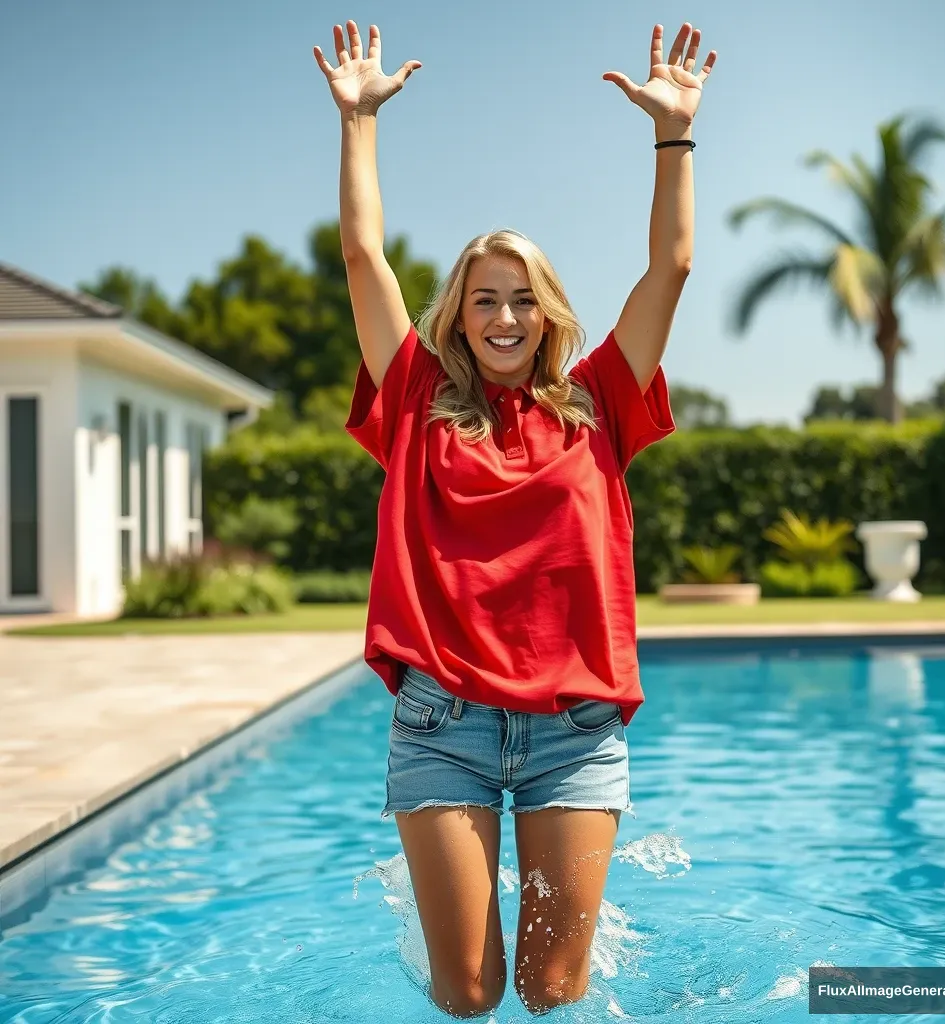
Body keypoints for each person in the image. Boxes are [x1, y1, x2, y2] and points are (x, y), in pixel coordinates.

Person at [313, 18, 716, 1018]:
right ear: (458, 312)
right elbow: (363, 258)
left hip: (573, 732)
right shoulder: (411, 395)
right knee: (467, 992)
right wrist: (358, 120)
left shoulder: (600, 400)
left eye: (521, 300)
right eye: (483, 299)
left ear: (547, 311)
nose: (502, 318)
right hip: (441, 724)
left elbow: (669, 271)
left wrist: (672, 138)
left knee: (550, 990)